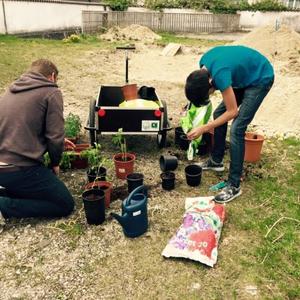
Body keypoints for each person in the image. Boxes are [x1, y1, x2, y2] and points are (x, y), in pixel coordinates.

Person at [185, 45, 274, 203]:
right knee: (219, 113)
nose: (211, 95)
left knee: (237, 129)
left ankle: (234, 184)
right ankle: (216, 161)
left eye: (208, 94)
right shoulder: (203, 65)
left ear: (210, 83)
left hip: (260, 77)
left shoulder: (220, 75)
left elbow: (233, 112)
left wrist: (205, 127)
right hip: (243, 76)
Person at [0, 59, 75, 230]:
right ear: (53, 76)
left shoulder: (11, 90)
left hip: (2, 168)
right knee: (64, 204)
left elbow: (17, 126)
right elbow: (54, 136)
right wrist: (55, 163)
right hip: (19, 169)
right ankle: (3, 207)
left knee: (32, 188)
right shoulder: (51, 92)